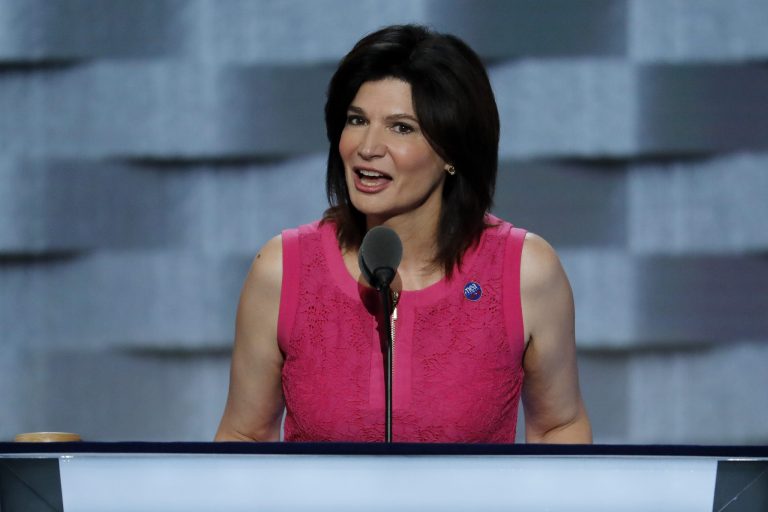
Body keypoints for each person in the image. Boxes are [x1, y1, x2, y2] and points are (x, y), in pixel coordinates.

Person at [215, 24, 591, 443]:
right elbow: (243, 436)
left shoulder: (526, 272)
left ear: (451, 150)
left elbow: (559, 426)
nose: (368, 147)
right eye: (357, 120)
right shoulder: (283, 269)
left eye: (401, 127)